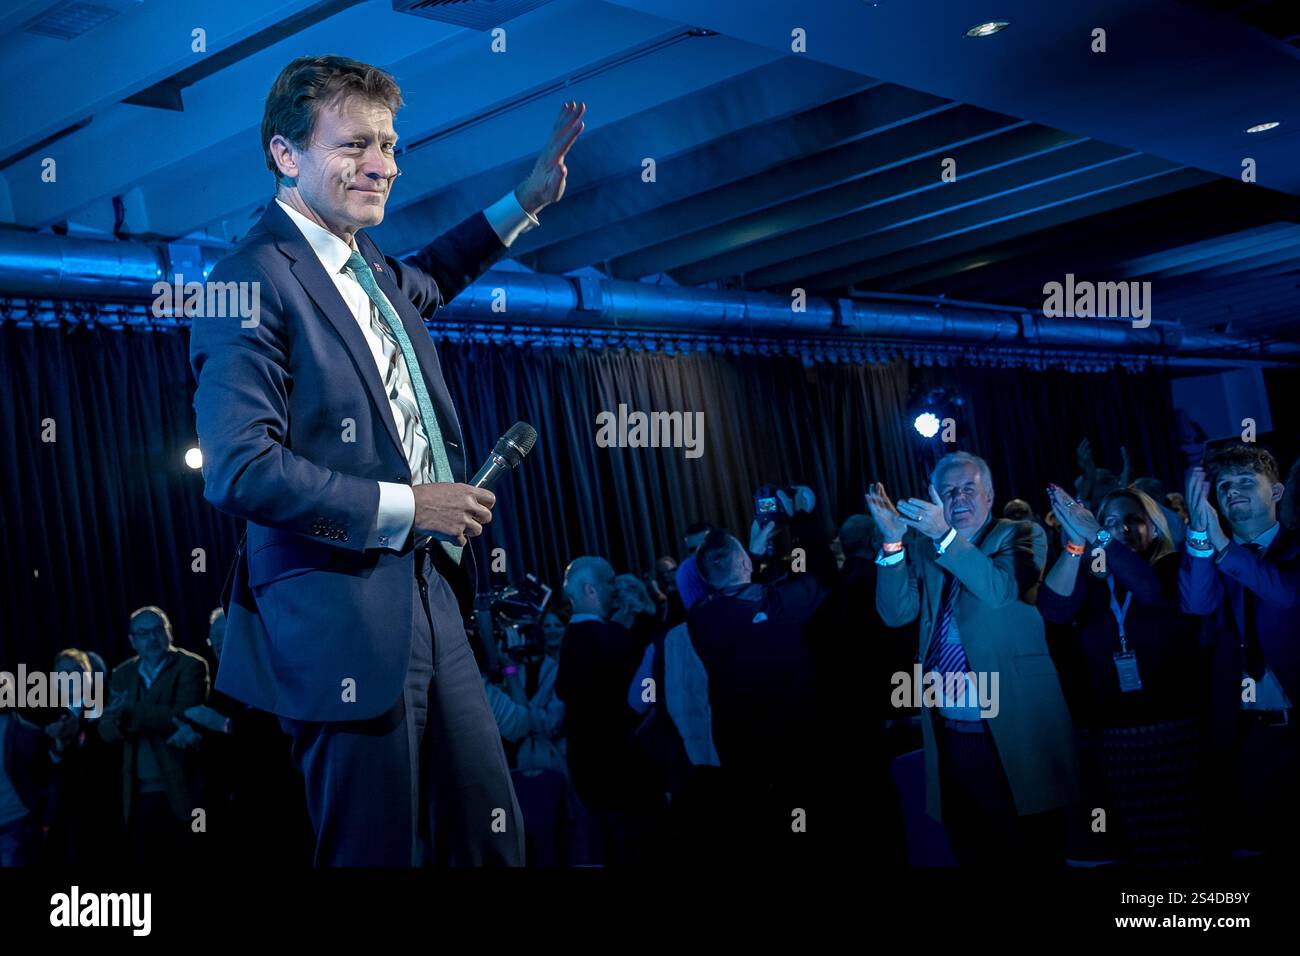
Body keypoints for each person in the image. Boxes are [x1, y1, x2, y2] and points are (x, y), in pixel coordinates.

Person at [189, 55, 585, 866]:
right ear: (285, 155)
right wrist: (412, 506)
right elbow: (237, 467)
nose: (384, 166)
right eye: (355, 146)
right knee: (377, 854)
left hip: (435, 597)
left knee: (491, 842)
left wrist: (526, 202)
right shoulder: (249, 277)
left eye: (391, 146)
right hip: (341, 621)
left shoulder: (367, 267)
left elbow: (434, 274)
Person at [868, 452, 1077, 866]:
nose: (958, 498)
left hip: (1013, 722)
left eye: (968, 488)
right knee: (973, 848)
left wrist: (945, 536)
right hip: (950, 727)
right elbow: (896, 613)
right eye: (947, 491)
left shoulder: (1021, 533)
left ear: (990, 494)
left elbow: (1000, 591)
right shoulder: (927, 547)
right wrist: (893, 542)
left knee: (1029, 850)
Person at [1039, 485, 1207, 864]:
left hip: (1176, 729)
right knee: (1137, 845)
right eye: (1111, 521)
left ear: (1154, 525)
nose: (1123, 529)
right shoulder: (1094, 580)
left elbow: (1148, 591)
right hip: (1114, 735)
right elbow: (1054, 609)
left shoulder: (1170, 566)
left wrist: (1098, 532)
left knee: (1188, 843)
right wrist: (1076, 544)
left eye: (1133, 519)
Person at [1181, 443, 1300, 857]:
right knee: (1252, 847)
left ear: (1278, 492)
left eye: (1247, 482)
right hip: (1245, 732)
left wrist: (1222, 544)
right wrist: (1200, 531)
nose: (1233, 492)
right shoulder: (1209, 555)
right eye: (1225, 485)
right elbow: (1197, 604)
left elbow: (1285, 594)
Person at [554, 556, 651, 863]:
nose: (616, 588)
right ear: (590, 589)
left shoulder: (575, 639)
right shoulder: (611, 640)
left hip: (588, 771)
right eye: (610, 581)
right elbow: (640, 699)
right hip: (621, 772)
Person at [98, 607, 209, 867]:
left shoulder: (191, 665)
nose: (152, 638)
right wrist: (121, 720)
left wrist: (128, 712)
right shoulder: (122, 674)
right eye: (144, 633)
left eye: (158, 630)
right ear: (132, 640)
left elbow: (184, 716)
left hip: (182, 787)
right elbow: (105, 730)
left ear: (169, 633)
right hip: (136, 793)